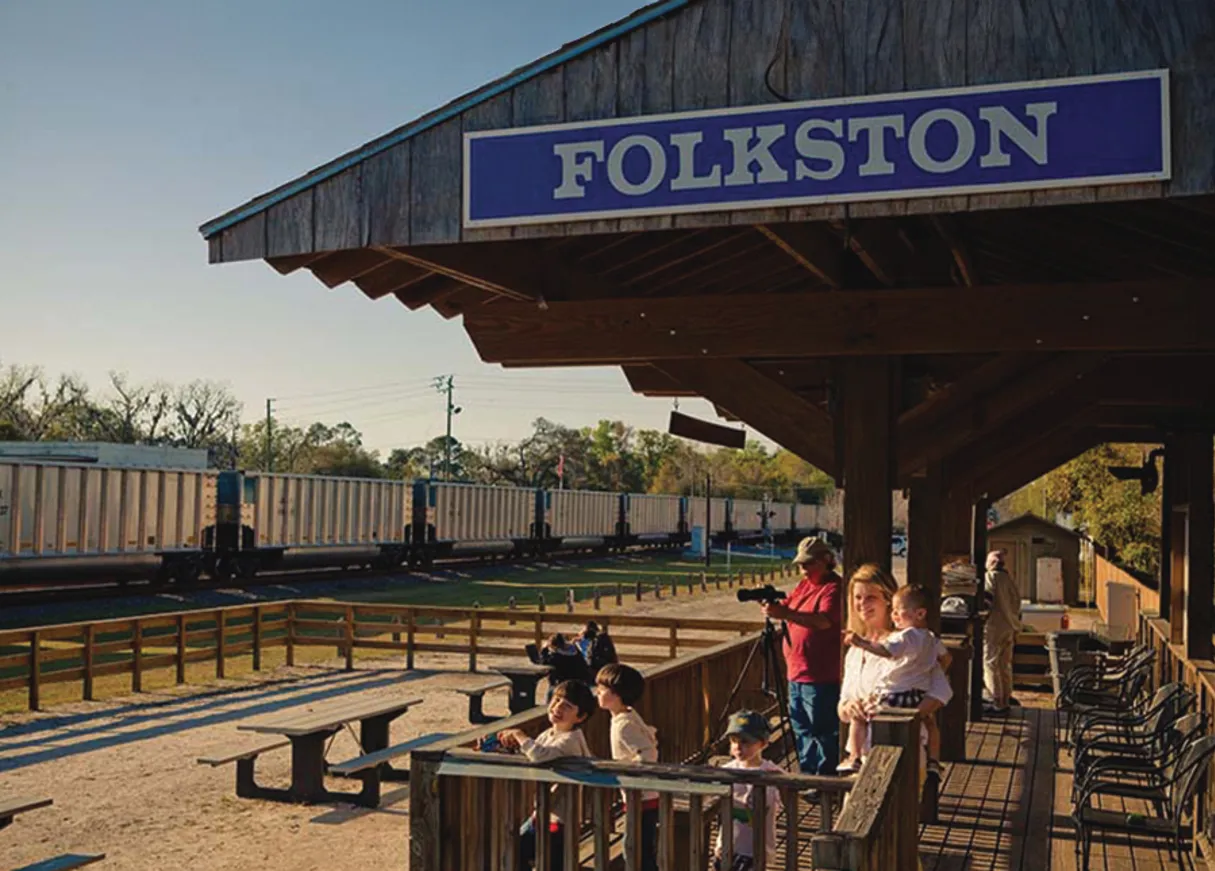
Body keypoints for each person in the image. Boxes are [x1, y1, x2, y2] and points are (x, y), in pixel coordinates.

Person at [837, 565, 952, 780]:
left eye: (870, 597)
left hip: (902, 753)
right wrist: (850, 707)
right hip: (861, 757)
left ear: (889, 600)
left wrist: (899, 714)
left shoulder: (911, 646)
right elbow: (841, 709)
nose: (862, 604)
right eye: (857, 597)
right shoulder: (854, 651)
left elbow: (939, 694)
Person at [755, 535, 843, 776]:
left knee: (822, 731)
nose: (803, 569)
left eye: (809, 564)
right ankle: (808, 775)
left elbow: (823, 621)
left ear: (826, 560)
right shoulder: (804, 585)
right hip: (797, 672)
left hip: (821, 675)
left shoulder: (834, 589)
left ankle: (825, 780)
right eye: (801, 565)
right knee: (801, 728)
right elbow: (789, 607)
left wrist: (783, 613)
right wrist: (772, 605)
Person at [495, 680, 598, 871]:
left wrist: (520, 735)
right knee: (515, 851)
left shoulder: (570, 740)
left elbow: (540, 755)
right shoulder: (550, 733)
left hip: (561, 819)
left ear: (580, 717)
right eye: (556, 700)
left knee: (551, 862)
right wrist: (505, 747)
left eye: (567, 706)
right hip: (542, 813)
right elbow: (532, 752)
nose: (558, 707)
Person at [595, 663, 658, 871]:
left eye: (602, 690)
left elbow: (648, 755)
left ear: (616, 695)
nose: (597, 693)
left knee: (634, 850)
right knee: (640, 848)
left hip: (640, 797)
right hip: (640, 796)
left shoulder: (624, 725)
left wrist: (625, 771)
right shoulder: (628, 715)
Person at [712, 710, 783, 871]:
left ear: (763, 743)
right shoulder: (726, 771)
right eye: (733, 741)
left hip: (756, 850)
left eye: (746, 742)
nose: (738, 747)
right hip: (727, 846)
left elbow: (791, 790)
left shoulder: (772, 773)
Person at [983, 549, 1021, 715]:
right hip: (1009, 627)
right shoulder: (1008, 579)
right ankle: (1006, 697)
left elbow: (987, 601)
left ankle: (996, 700)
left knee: (990, 663)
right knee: (1005, 664)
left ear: (990, 563)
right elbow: (1016, 603)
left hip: (993, 627)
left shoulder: (990, 578)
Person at [540, 633, 592, 700]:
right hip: (582, 681)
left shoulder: (556, 657)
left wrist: (544, 650)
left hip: (565, 683)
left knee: (550, 691)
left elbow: (543, 662)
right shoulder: (576, 651)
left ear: (554, 646)